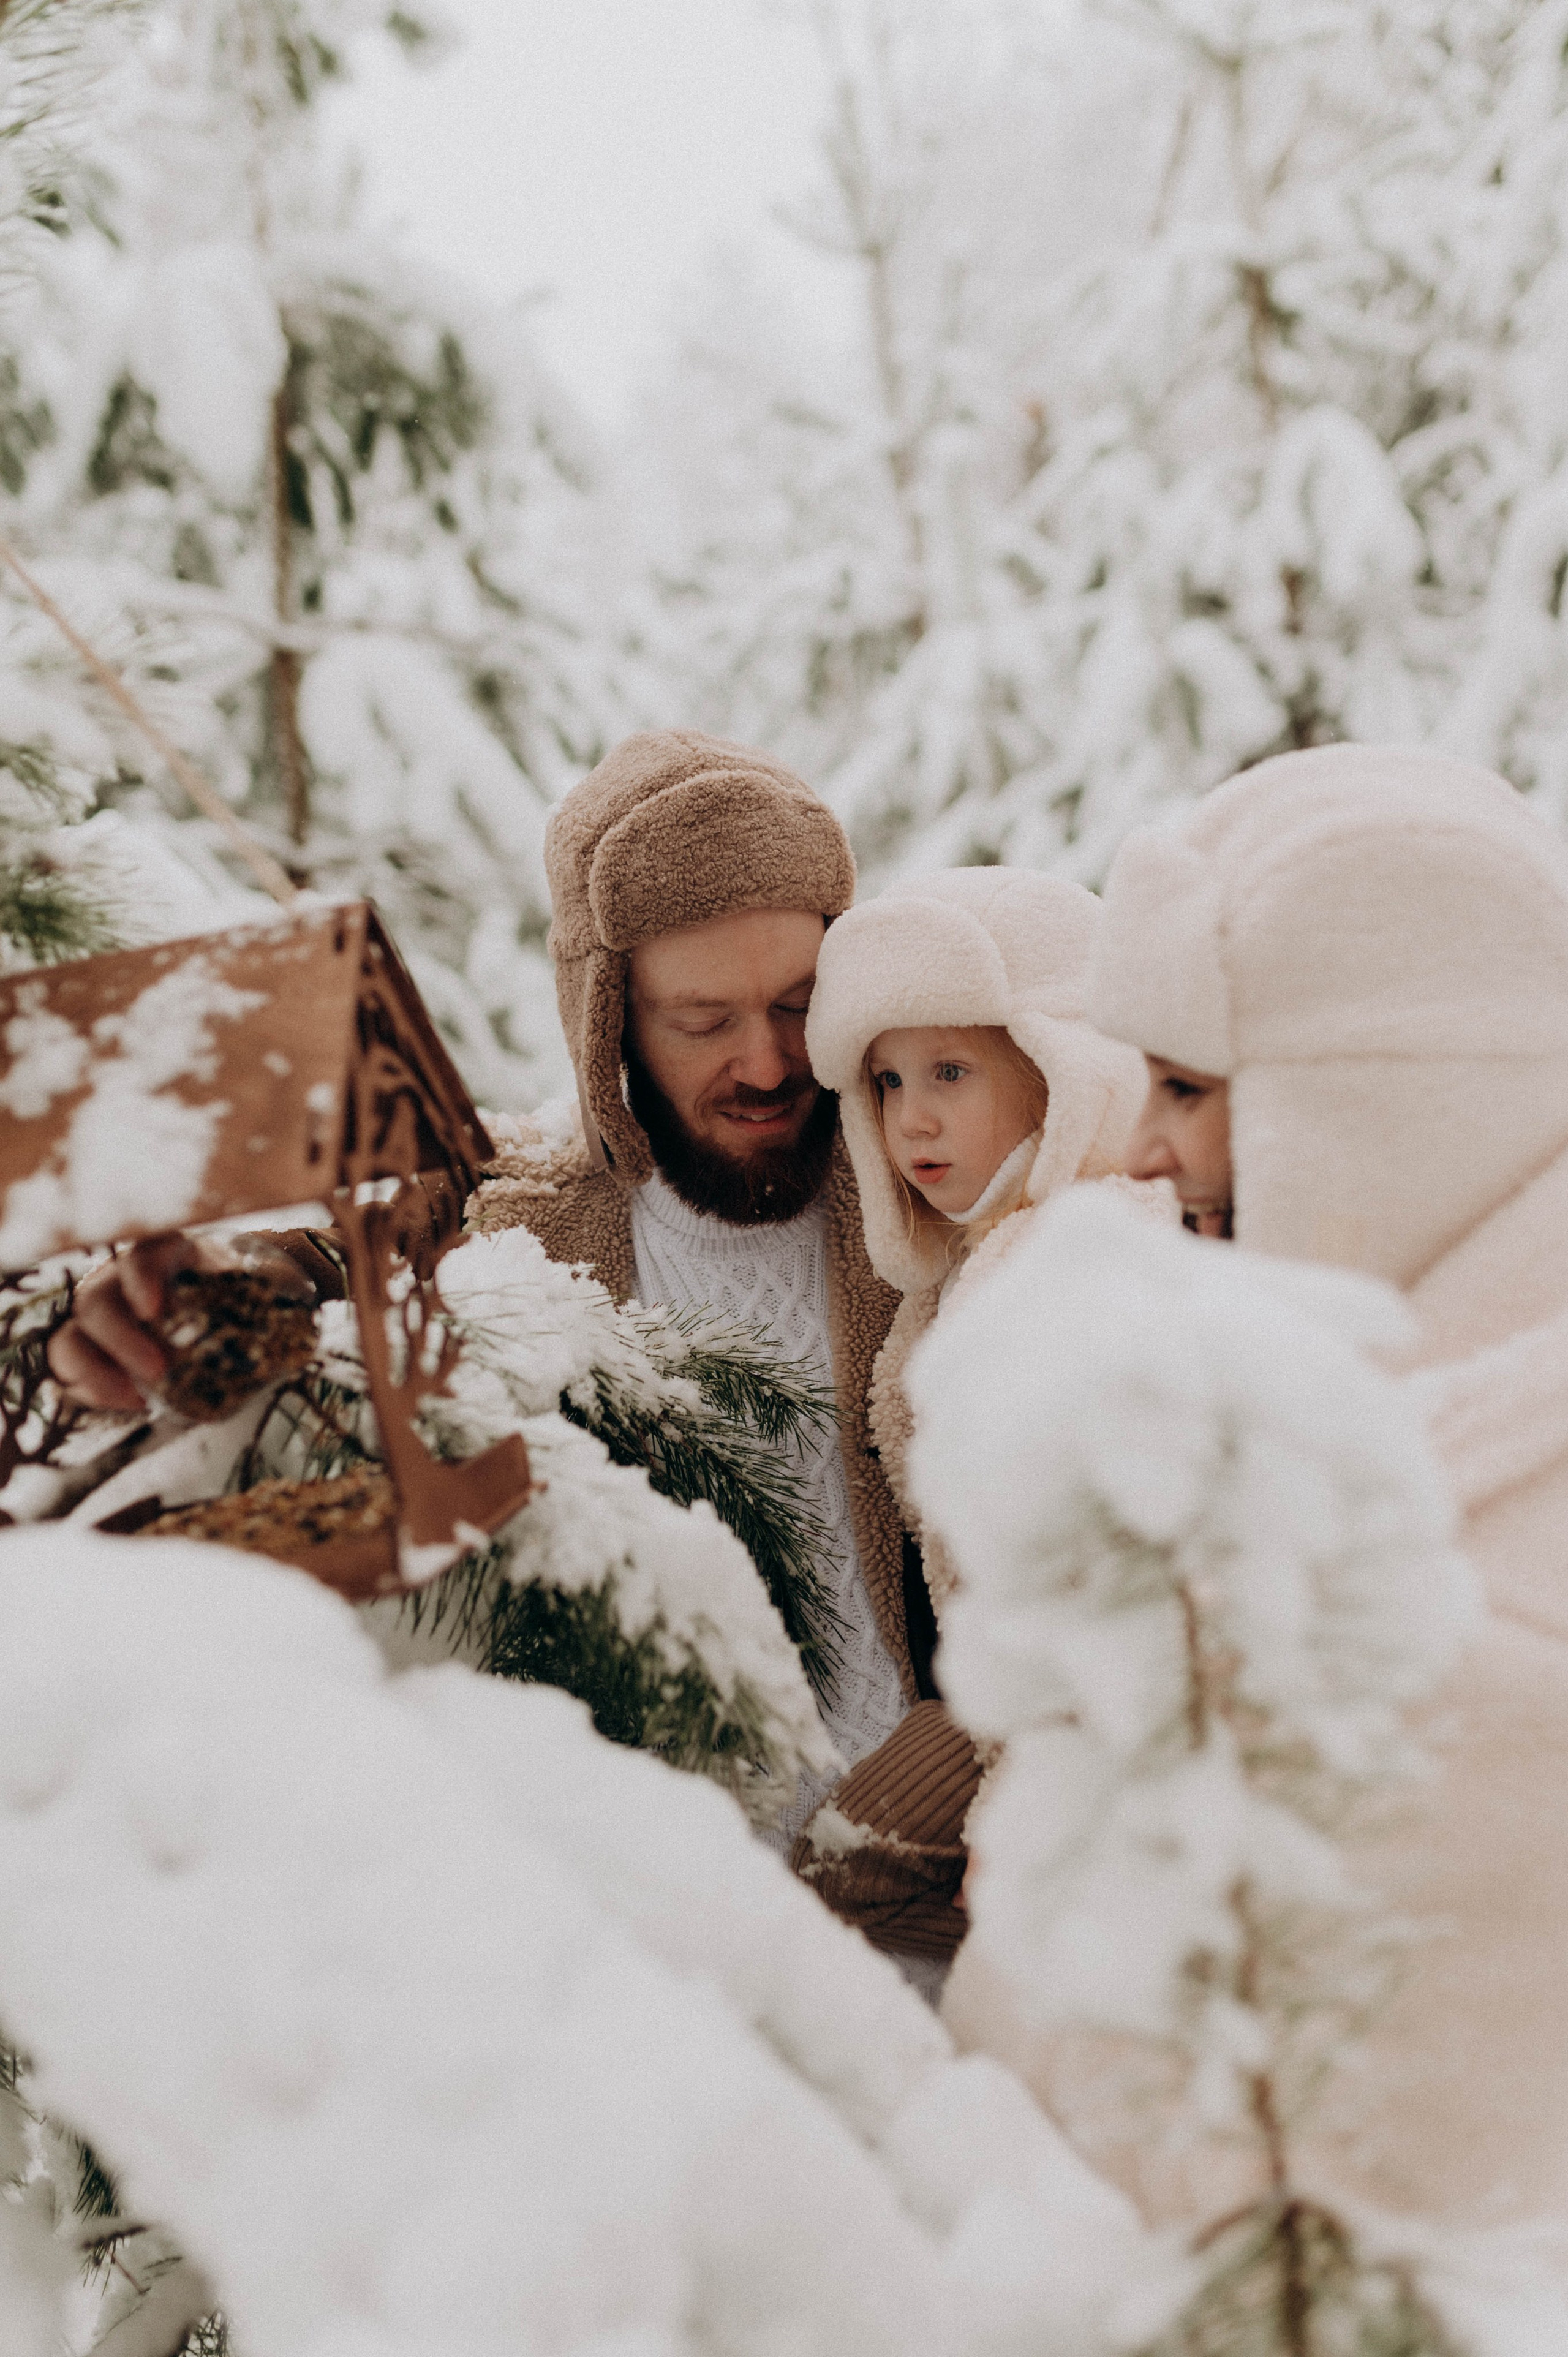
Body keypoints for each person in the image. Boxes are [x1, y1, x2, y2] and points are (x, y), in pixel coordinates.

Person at [48, 730, 929, 1844]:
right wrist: (165, 1313)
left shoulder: (936, 1191)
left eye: (799, 1005)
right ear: (608, 1022)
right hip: (661, 1882)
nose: (764, 1064)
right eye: (704, 1022)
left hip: (947, 1871)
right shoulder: (499, 1211)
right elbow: (310, 1273)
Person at [943, 741, 1568, 2233]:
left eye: (1186, 1087)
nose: (1143, 1147)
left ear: (1379, 1112)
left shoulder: (1455, 1622)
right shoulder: (1412, 1431)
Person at [786, 869, 1151, 1962]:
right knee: (841, 1866)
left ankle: (1061, 1950)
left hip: (1078, 1709)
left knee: (849, 1868)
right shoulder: (969, 1267)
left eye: (952, 1070)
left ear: (1060, 1070)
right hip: (1004, 1697)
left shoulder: (1096, 1261)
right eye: (888, 1082)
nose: (913, 1118)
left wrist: (1032, 1778)